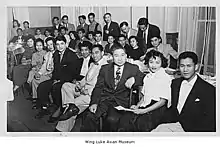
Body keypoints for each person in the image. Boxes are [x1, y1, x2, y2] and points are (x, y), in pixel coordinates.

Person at [81, 46, 145, 132]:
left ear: (126, 56)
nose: (120, 59)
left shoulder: (132, 68)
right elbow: (98, 87)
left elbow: (144, 78)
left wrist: (134, 79)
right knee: (89, 117)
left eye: (122, 55)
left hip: (121, 102)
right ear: (112, 57)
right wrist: (94, 102)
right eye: (116, 55)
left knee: (111, 120)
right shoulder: (105, 68)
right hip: (104, 100)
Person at [152, 51, 216, 132]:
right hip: (173, 125)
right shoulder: (175, 84)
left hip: (193, 130)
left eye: (189, 66)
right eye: (182, 66)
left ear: (196, 67)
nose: (185, 70)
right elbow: (173, 109)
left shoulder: (208, 89)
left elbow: (210, 120)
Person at [54, 44, 108, 132]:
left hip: (92, 94)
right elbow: (86, 78)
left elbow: (103, 86)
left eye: (97, 53)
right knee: (66, 86)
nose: (94, 55)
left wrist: (88, 91)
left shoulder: (106, 67)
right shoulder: (92, 64)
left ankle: (61, 130)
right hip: (83, 89)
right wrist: (79, 84)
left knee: (72, 108)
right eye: (93, 53)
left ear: (102, 53)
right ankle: (70, 105)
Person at [118, 50, 172, 131]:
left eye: (157, 63)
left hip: (157, 109)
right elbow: (144, 96)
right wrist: (137, 106)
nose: (154, 65)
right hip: (145, 106)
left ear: (162, 64)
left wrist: (143, 111)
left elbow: (163, 101)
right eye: (151, 62)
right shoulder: (147, 77)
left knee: (141, 124)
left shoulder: (165, 77)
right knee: (124, 119)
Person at [35, 35, 81, 119]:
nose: (60, 46)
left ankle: (59, 109)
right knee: (42, 86)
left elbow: (73, 73)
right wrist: (55, 79)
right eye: (57, 44)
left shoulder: (71, 55)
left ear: (66, 44)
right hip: (57, 78)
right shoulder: (56, 54)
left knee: (56, 87)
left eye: (62, 44)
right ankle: (45, 107)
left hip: (68, 80)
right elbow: (56, 69)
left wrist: (60, 80)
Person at [31, 37, 56, 109]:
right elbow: (44, 66)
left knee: (40, 83)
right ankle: (36, 99)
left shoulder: (57, 53)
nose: (50, 47)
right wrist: (39, 73)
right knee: (34, 81)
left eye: (51, 44)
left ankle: (44, 101)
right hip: (47, 73)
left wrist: (49, 73)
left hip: (52, 74)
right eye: (48, 45)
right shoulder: (47, 54)